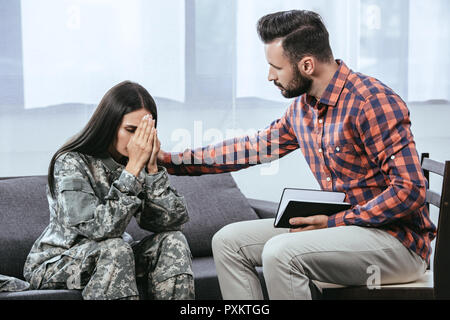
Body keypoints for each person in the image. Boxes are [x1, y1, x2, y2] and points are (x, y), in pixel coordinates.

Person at [157, 10, 437, 299]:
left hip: (397, 244)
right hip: (344, 229)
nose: (270, 76)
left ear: (306, 65)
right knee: (228, 242)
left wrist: (333, 222)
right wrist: (170, 161)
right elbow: (250, 148)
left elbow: (410, 190)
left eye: (275, 67)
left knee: (281, 253)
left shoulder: (372, 102)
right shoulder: (303, 110)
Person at [23, 81, 194, 300]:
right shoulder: (70, 162)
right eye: (130, 130)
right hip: (56, 262)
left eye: (143, 133)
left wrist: (152, 169)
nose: (137, 141)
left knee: (173, 240)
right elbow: (98, 230)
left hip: (112, 254)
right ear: (109, 124)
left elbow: (169, 222)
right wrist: (132, 171)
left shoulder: (135, 161)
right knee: (115, 248)